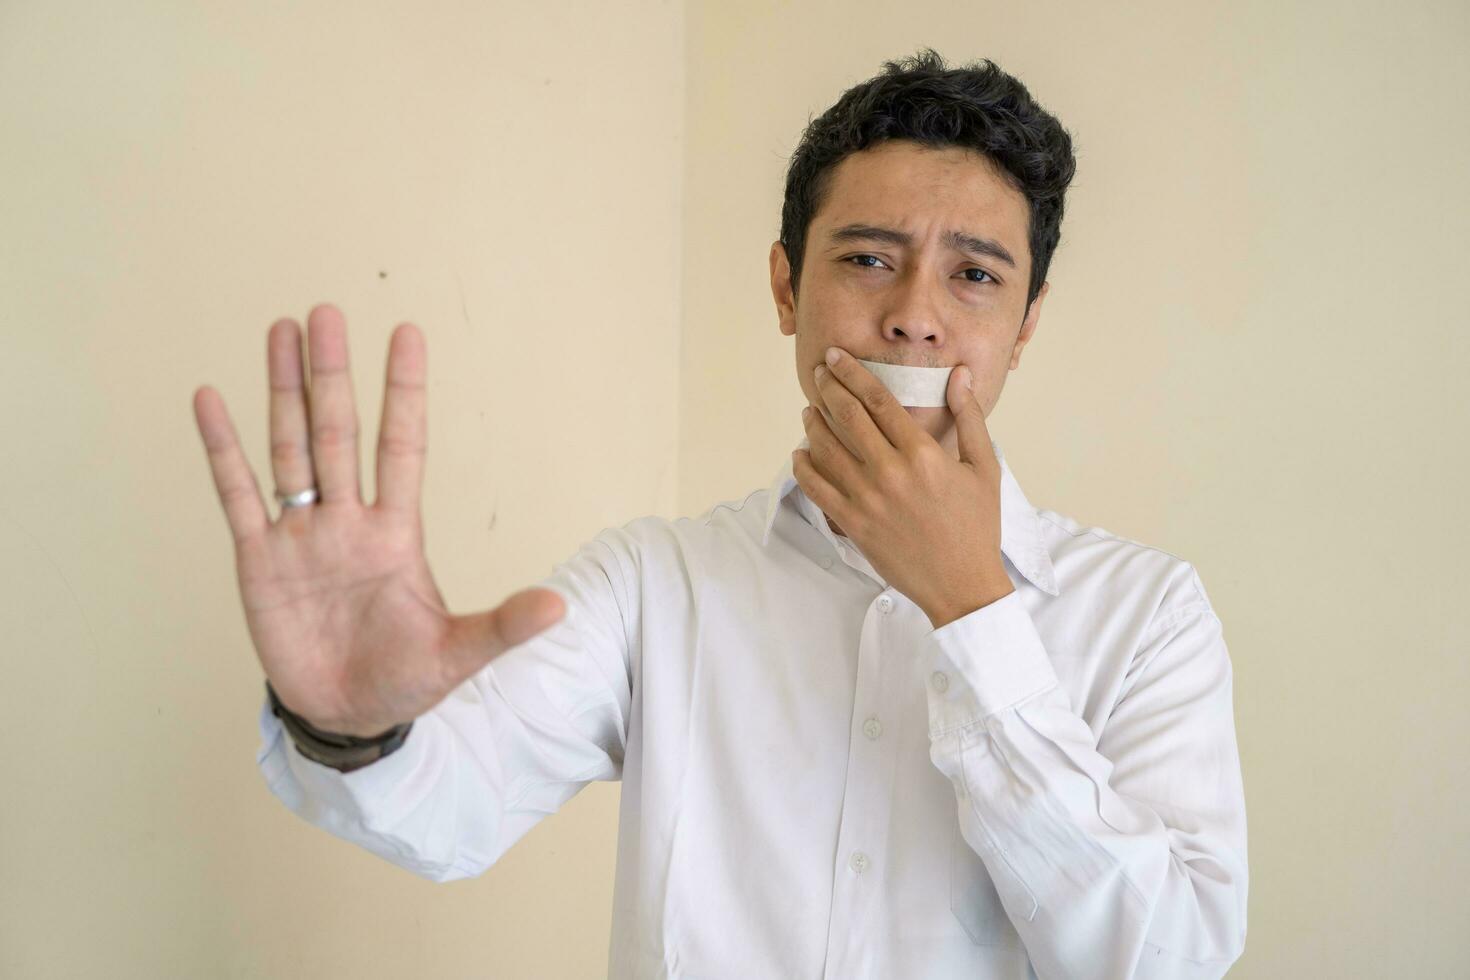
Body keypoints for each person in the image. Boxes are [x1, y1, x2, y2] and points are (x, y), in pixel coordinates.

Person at [193, 48, 1247, 979]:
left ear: (1024, 327)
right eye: (869, 258)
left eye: (975, 275)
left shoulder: (1146, 614)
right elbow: (448, 807)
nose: (915, 316)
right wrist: (346, 721)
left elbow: (1171, 955)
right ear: (785, 288)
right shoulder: (658, 584)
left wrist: (974, 611)